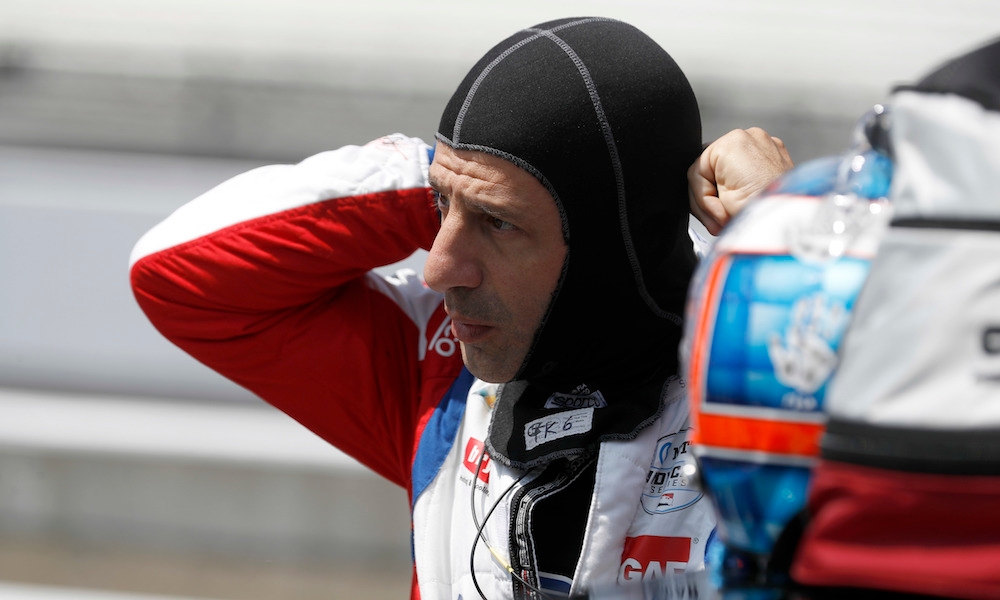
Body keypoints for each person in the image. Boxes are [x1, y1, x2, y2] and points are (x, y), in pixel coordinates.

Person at [130, 17, 791, 600]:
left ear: (611, 246)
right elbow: (175, 274)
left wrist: (793, 241)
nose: (439, 268)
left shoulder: (777, 382)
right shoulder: (442, 364)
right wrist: (452, 181)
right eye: (441, 207)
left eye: (499, 224)